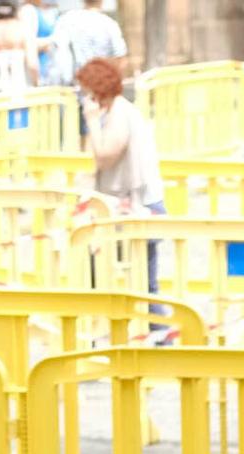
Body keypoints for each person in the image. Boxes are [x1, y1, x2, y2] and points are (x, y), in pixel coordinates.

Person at [73, 58, 162, 292]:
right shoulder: (116, 112)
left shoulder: (120, 114)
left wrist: (91, 121)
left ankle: (154, 326)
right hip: (130, 202)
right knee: (140, 280)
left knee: (143, 281)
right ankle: (150, 325)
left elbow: (104, 156)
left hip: (137, 203)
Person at [47, 0, 125, 87]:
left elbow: (55, 50)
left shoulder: (66, 19)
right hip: (100, 87)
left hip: (73, 86)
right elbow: (120, 59)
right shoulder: (110, 24)